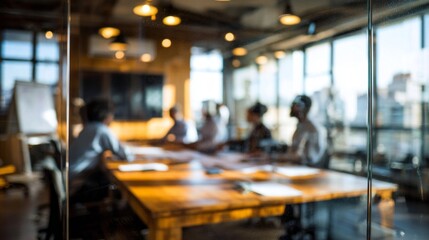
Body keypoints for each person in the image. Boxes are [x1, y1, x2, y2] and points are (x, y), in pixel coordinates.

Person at [69, 98, 132, 200]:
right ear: (107, 116)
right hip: (77, 182)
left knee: (105, 174)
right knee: (115, 186)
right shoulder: (102, 130)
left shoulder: (87, 128)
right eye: (112, 114)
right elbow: (127, 156)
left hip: (70, 176)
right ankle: (117, 210)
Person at [284, 95, 327, 167]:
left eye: (295, 105)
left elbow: (305, 158)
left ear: (301, 107)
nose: (291, 107)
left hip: (309, 170)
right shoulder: (301, 126)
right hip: (297, 167)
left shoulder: (312, 128)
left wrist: (275, 157)